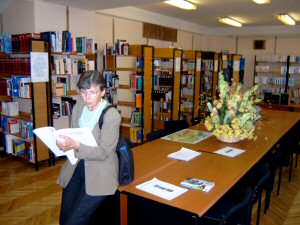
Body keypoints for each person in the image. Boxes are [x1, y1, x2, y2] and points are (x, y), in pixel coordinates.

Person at [56, 70, 121, 225]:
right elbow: (73, 133)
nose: (87, 98)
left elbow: (104, 152)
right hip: (77, 166)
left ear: (103, 92)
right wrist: (64, 145)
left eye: (92, 93)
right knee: (64, 219)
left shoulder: (111, 115)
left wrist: (77, 146)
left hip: (100, 172)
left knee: (74, 221)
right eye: (84, 93)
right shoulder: (79, 106)